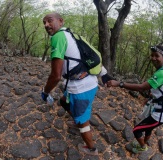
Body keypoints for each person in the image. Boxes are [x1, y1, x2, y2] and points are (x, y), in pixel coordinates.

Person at [41, 12, 113, 156]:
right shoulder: (69, 34)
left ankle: (91, 148)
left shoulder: (58, 37)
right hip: (85, 83)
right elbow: (87, 54)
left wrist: (45, 92)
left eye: (49, 21)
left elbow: (55, 76)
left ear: (60, 21)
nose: (46, 25)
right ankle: (77, 121)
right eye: (44, 23)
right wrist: (103, 74)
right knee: (63, 101)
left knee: (83, 121)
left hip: (81, 88)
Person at [106, 45, 163, 153]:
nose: (153, 58)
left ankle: (143, 148)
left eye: (157, 56)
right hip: (161, 108)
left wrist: (119, 83)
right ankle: (144, 143)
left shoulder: (161, 73)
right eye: (152, 55)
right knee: (148, 129)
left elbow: (141, 87)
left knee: (136, 130)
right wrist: (151, 98)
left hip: (160, 114)